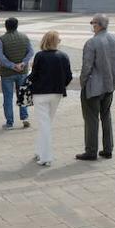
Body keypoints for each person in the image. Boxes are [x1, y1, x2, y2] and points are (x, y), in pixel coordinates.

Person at [77, 14, 115, 160]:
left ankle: (91, 151)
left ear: (98, 25)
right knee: (106, 116)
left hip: (93, 87)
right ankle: (108, 149)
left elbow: (86, 67)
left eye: (93, 23)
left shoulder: (92, 42)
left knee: (91, 119)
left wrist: (83, 83)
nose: (92, 26)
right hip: (109, 85)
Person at [27, 30, 72, 167]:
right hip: (56, 93)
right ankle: (39, 150)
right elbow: (69, 76)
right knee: (46, 123)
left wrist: (30, 72)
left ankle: (46, 156)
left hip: (41, 93)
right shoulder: (64, 56)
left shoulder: (40, 56)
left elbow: (33, 76)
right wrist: (60, 85)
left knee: (44, 124)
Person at [0, 17, 34, 130]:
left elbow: (1, 58)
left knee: (8, 98)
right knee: (22, 94)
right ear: (17, 25)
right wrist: (22, 63)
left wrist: (13, 66)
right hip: (22, 72)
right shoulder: (24, 37)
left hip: (7, 73)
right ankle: (25, 118)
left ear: (5, 26)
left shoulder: (1, 40)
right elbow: (31, 52)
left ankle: (9, 123)